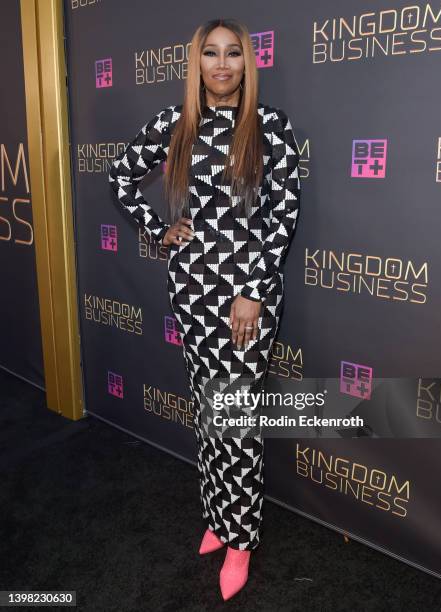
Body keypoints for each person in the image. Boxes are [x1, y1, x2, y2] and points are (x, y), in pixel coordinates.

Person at [109, 17, 301, 601]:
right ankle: (218, 518)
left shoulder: (269, 126)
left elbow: (283, 218)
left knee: (236, 424)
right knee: (208, 413)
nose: (222, 64)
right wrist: (159, 228)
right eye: (211, 54)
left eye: (233, 54)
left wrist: (254, 291)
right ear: (197, 63)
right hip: (191, 293)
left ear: (248, 63)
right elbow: (120, 177)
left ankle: (241, 540)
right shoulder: (175, 124)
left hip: (247, 297)